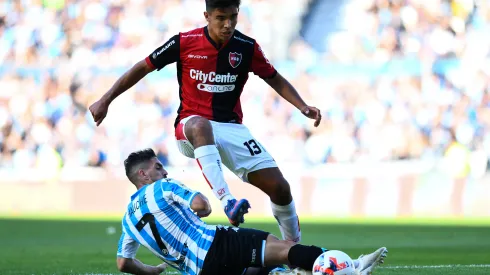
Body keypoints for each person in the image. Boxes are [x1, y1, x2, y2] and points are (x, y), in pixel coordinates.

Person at [89, 0, 322, 242]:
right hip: (190, 125)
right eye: (221, 18)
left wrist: (302, 106)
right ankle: (228, 201)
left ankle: (294, 250)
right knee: (200, 125)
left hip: (231, 127)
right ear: (207, 16)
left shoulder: (246, 47)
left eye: (233, 16)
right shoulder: (184, 42)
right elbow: (142, 67)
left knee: (280, 188)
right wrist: (106, 99)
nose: (228, 24)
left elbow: (273, 77)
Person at [115, 148, 388, 275]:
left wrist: (151, 271)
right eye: (158, 167)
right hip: (214, 244)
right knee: (281, 249)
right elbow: (202, 206)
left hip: (198, 272)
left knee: (262, 270)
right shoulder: (161, 187)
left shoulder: (128, 219)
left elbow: (123, 263)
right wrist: (201, 209)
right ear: (144, 174)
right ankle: (351, 267)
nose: (164, 171)